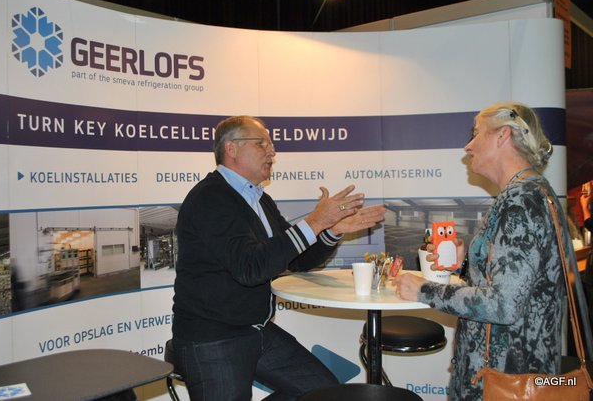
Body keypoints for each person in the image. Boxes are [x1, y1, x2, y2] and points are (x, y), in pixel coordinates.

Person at [172, 115, 386, 401]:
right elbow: (250, 269)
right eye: (261, 144)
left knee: (322, 392)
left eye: (271, 145)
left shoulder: (259, 199)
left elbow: (298, 259)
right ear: (231, 148)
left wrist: (331, 230)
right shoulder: (211, 197)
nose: (272, 152)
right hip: (213, 337)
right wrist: (314, 222)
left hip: (255, 330)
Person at [395, 102, 569, 401]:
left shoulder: (520, 202)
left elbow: (503, 305)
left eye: (476, 133)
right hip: (517, 375)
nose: (468, 145)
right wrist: (466, 265)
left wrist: (424, 291)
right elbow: (519, 284)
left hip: (506, 382)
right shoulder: (532, 193)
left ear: (503, 136)